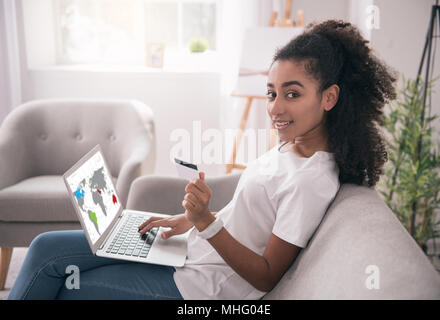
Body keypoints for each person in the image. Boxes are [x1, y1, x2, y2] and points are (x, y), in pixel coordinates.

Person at [8, 19, 397, 300]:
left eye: (292, 94)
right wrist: (184, 223)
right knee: (45, 247)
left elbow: (265, 277)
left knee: (66, 284)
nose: (276, 107)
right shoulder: (291, 146)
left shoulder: (312, 180)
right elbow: (249, 217)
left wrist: (205, 222)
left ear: (328, 98)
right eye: (271, 93)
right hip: (188, 255)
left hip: (198, 289)